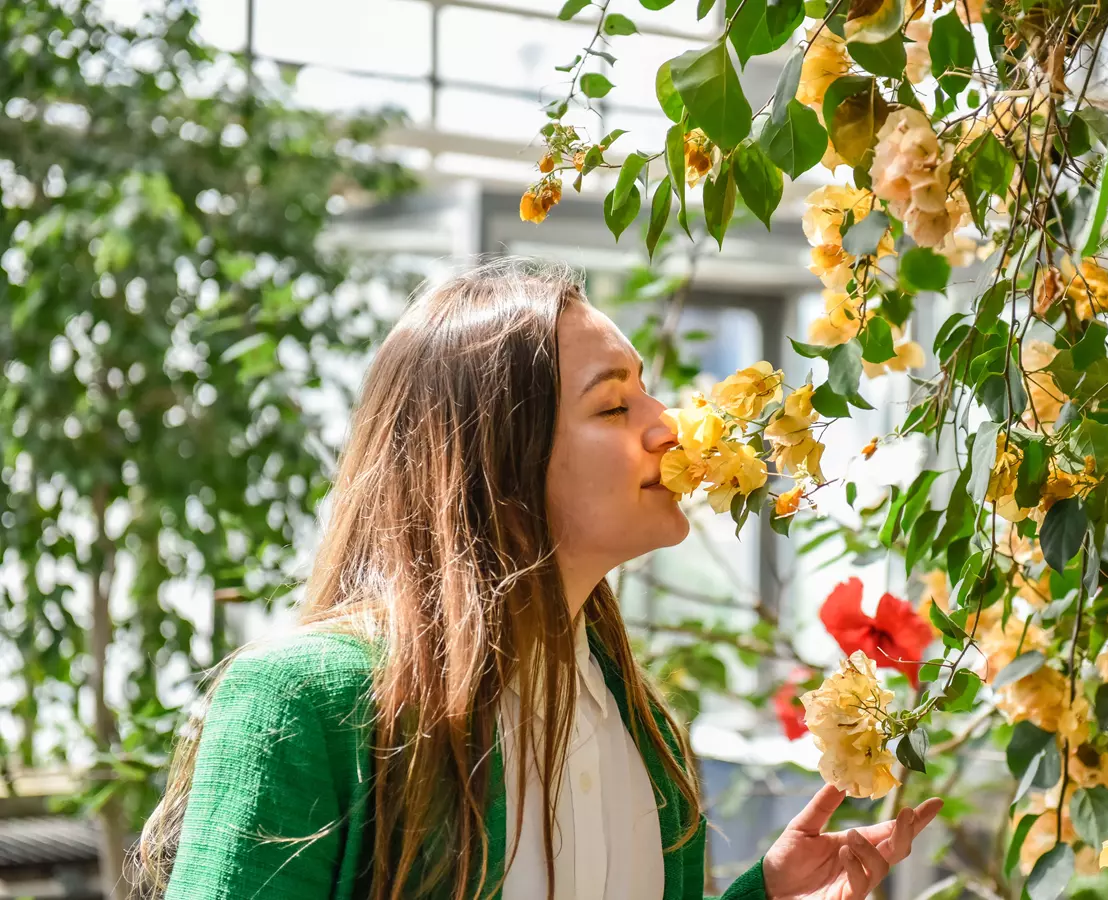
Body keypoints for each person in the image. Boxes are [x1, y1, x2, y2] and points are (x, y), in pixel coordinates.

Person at [130, 257, 942, 900]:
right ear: (500, 461)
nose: (667, 425)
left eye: (645, 390)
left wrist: (763, 896)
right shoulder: (304, 702)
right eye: (613, 405)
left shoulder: (643, 726)